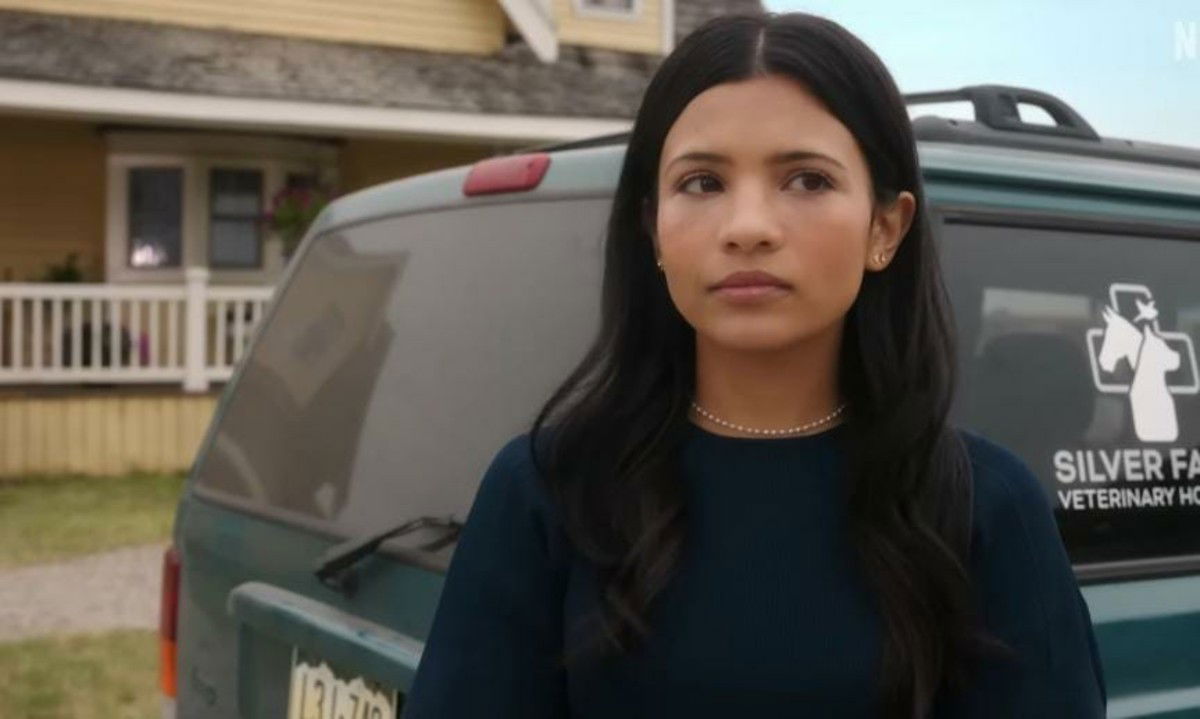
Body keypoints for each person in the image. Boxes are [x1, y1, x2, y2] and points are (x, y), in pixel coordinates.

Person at [400, 10, 1107, 719]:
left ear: (885, 226)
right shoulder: (549, 494)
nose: (747, 228)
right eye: (702, 182)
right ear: (653, 228)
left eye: (807, 180)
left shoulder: (984, 509)